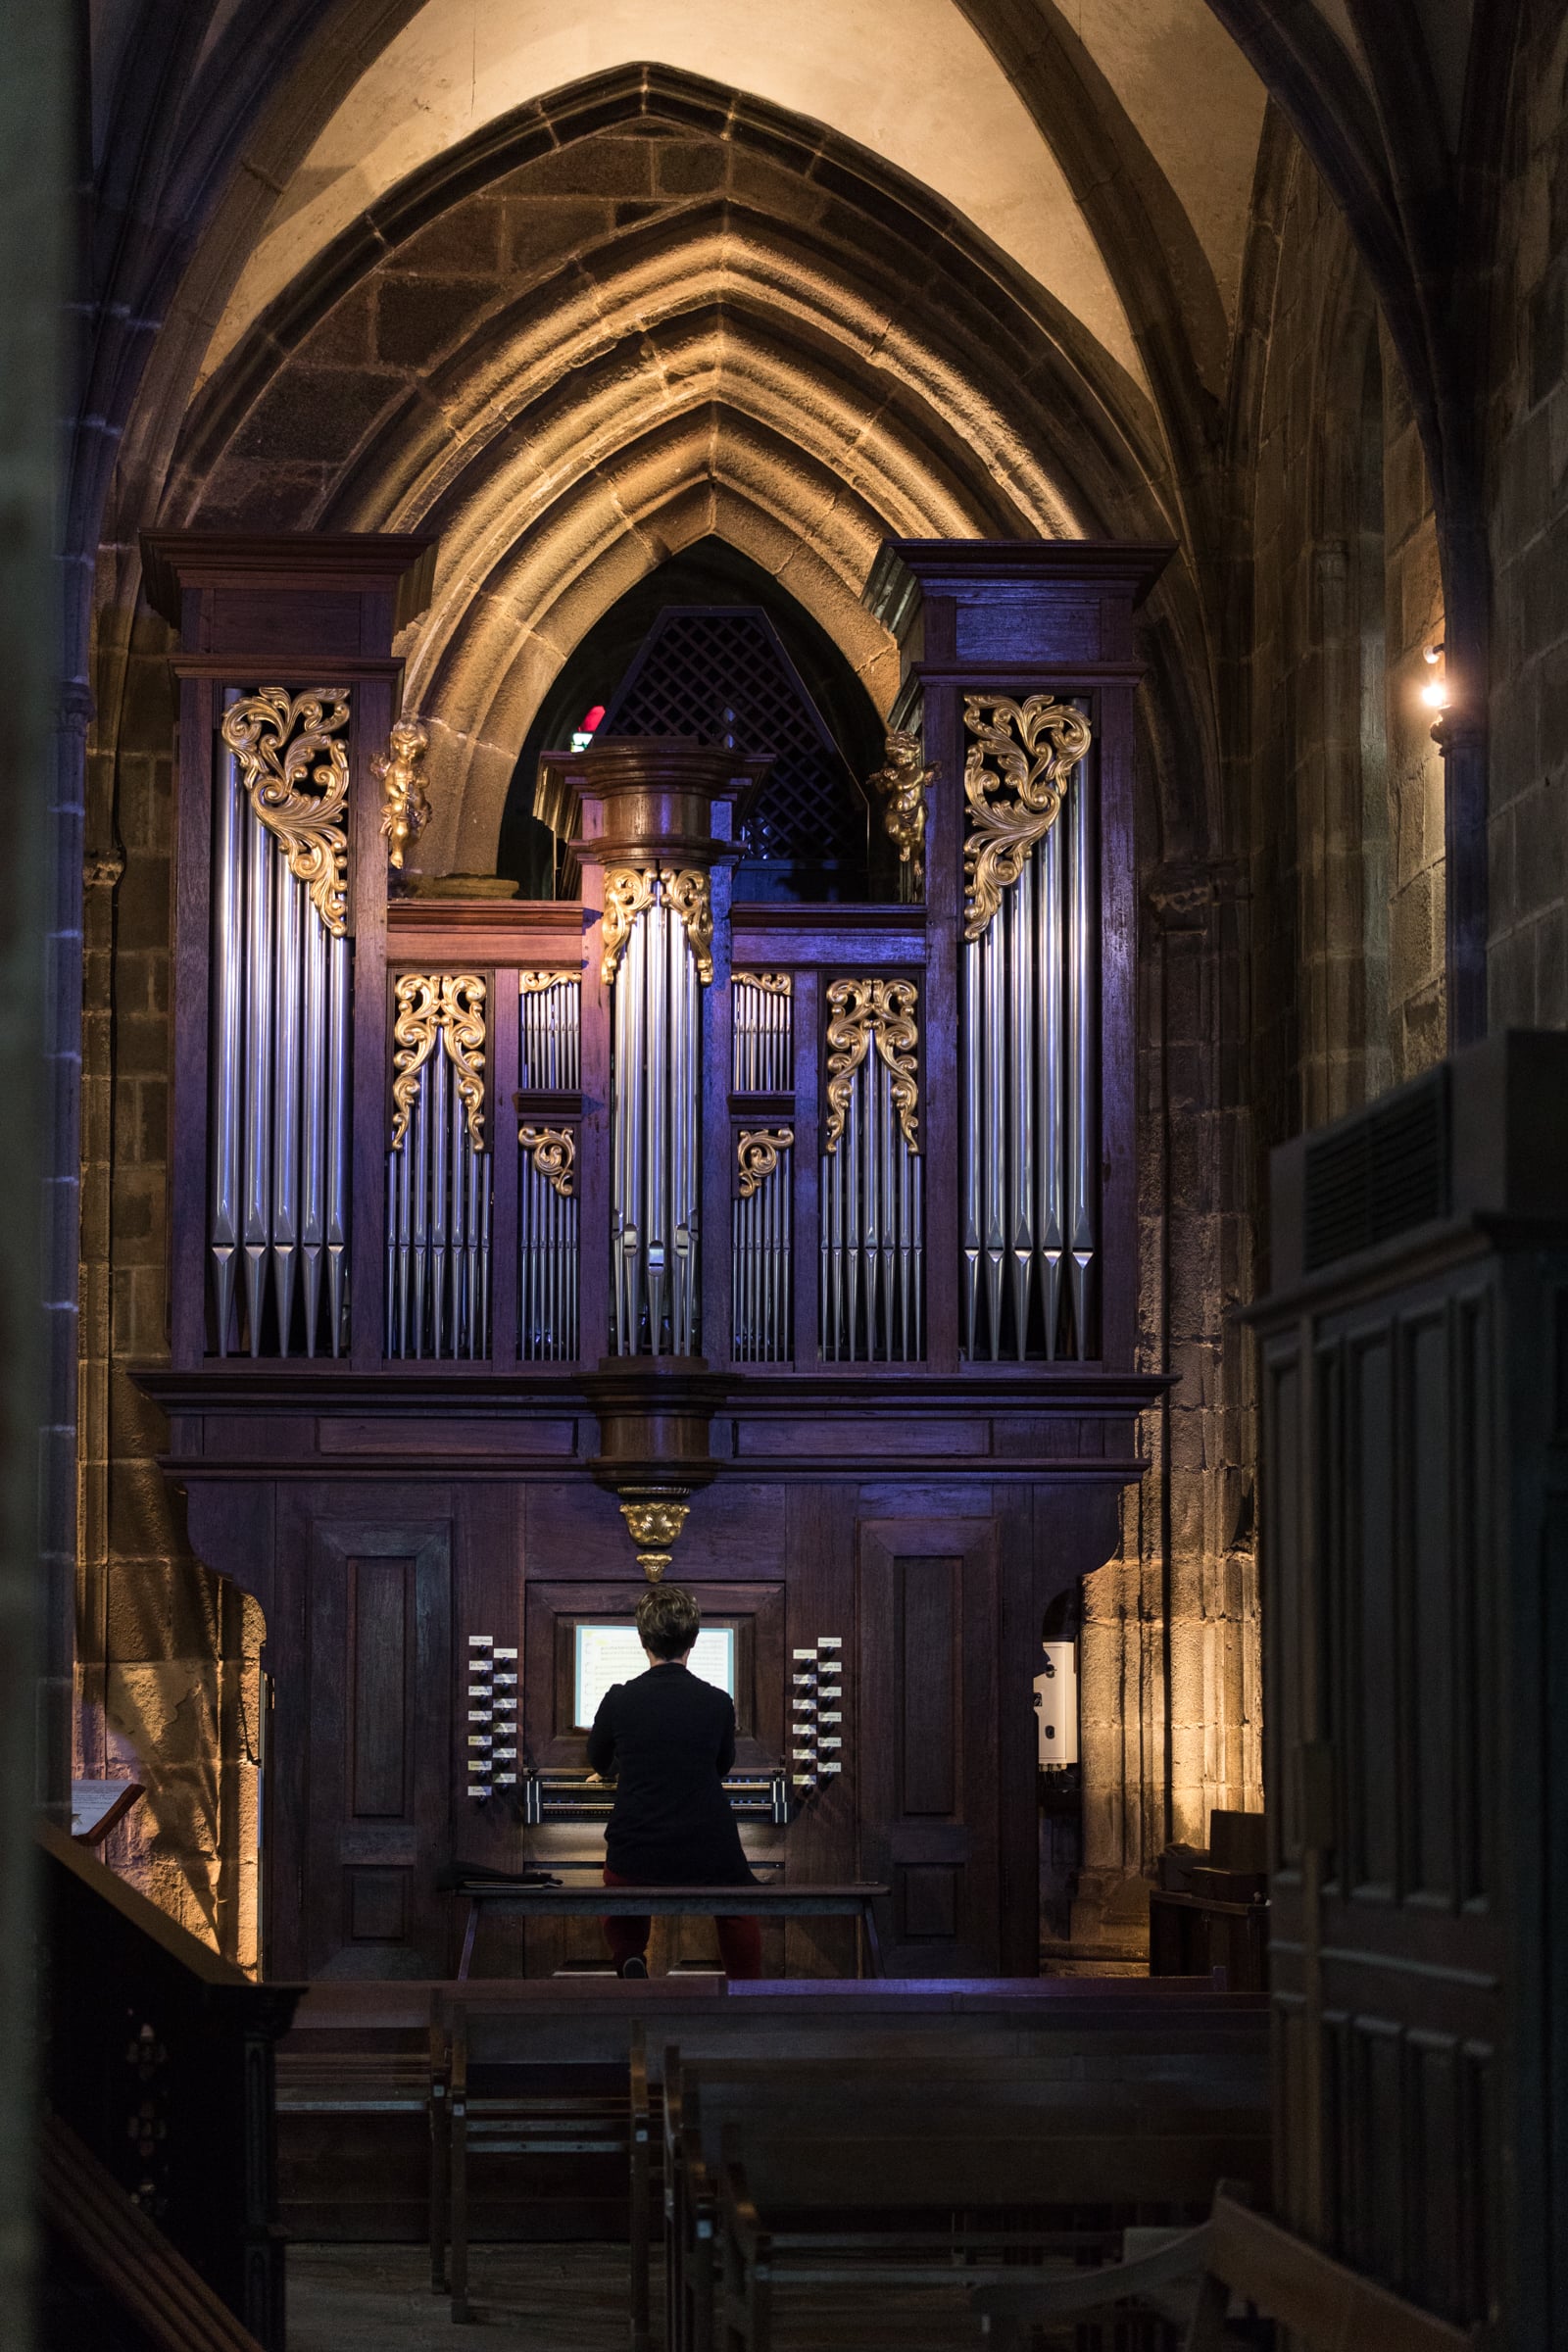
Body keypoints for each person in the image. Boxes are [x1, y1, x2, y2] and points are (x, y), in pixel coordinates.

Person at [587, 1584, 762, 1981]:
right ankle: (746, 1989)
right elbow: (723, 1766)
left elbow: (596, 1757)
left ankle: (630, 1954)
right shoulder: (717, 1701)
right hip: (707, 1849)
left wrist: (616, 1769)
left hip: (639, 1848)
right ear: (694, 1640)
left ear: (642, 1640)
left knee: (617, 1880)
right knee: (739, 1903)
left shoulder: (619, 1699)